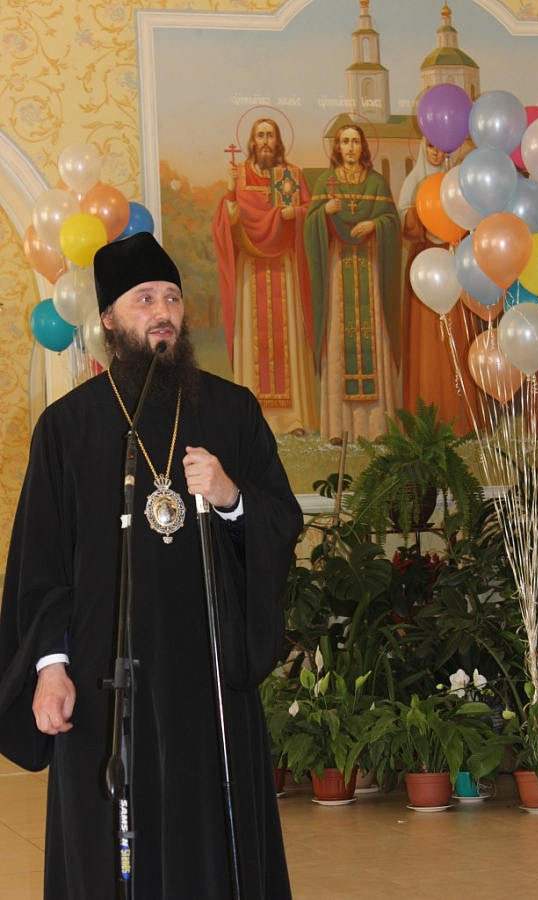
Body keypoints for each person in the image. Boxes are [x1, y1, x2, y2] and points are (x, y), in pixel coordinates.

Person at [0, 232, 302, 900]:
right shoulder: (67, 427)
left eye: (172, 298)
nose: (163, 312)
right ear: (109, 319)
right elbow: (39, 565)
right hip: (103, 683)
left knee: (210, 845)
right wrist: (50, 669)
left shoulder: (231, 410)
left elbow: (282, 521)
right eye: (144, 300)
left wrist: (231, 498)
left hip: (207, 677)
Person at [212, 117, 318, 435]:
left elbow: (311, 212)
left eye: (271, 135)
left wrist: (296, 213)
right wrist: (230, 191)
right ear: (252, 142)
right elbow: (227, 223)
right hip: (251, 269)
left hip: (284, 267)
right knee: (254, 339)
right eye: (260, 135)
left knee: (288, 338)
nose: (266, 141)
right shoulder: (240, 176)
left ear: (278, 140)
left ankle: (294, 418)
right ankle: (255, 418)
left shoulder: (292, 175)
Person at [304, 123, 401, 444]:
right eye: (344, 142)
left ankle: (378, 428)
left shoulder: (376, 182)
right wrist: (323, 212)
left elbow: (392, 221)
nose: (350, 147)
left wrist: (375, 224)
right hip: (338, 273)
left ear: (363, 147)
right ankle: (339, 429)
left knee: (374, 336)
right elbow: (310, 226)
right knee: (339, 340)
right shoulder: (326, 182)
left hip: (370, 269)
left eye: (355, 141)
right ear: (337, 147)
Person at [398, 137, 478, 434]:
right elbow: (404, 223)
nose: (435, 153)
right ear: (423, 148)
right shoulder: (414, 181)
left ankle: (460, 416)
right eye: (430, 146)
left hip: (453, 264)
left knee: (456, 336)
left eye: (440, 147)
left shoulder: (457, 180)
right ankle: (426, 419)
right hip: (425, 268)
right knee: (427, 345)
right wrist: (421, 213)